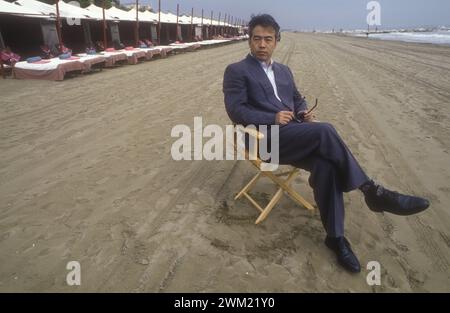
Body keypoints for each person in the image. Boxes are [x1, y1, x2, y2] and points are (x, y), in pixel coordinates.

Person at [222, 14, 430, 273]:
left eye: (268, 39)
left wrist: (303, 111)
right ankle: (372, 191)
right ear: (249, 41)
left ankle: (335, 238)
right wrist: (271, 117)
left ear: (277, 41)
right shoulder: (237, 71)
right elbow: (236, 111)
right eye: (257, 39)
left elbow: (297, 99)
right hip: (264, 141)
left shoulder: (284, 71)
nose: (262, 45)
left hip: (294, 135)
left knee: (326, 165)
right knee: (325, 131)